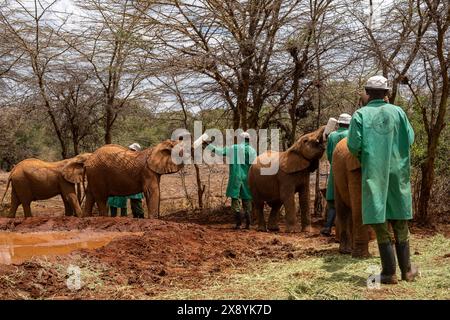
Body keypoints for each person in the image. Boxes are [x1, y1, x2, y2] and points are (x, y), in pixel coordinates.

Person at [347, 75, 418, 284]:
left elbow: (353, 145)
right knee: (400, 221)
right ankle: (407, 272)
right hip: (398, 173)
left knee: (380, 221)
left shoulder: (360, 115)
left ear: (368, 93)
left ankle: (389, 273)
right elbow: (410, 138)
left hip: (374, 173)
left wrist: (367, 158)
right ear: (386, 94)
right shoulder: (399, 112)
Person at [206, 132, 257, 229]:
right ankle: (248, 223)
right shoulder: (252, 151)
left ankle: (238, 223)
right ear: (248, 140)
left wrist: (208, 145)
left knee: (235, 198)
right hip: (247, 177)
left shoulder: (233, 148)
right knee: (247, 198)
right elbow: (255, 165)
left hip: (235, 177)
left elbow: (219, 151)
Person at [320, 113, 352, 236]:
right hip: (350, 170)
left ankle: (328, 227)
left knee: (333, 201)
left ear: (338, 124)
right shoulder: (350, 135)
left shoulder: (332, 136)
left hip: (335, 169)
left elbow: (328, 154)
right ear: (350, 124)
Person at [127, 143, 145, 219]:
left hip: (137, 184)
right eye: (131, 150)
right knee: (133, 202)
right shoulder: (130, 159)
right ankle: (135, 216)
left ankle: (141, 216)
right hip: (132, 184)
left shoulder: (139, 160)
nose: (131, 151)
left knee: (137, 201)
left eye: (133, 150)